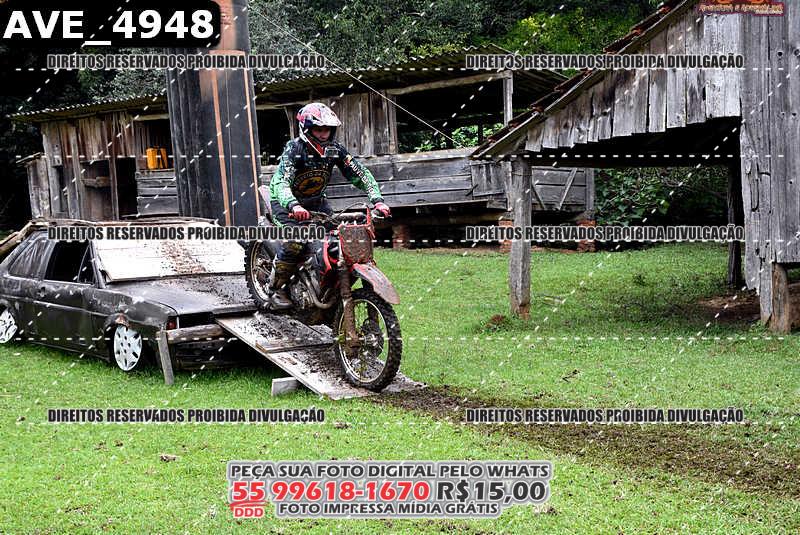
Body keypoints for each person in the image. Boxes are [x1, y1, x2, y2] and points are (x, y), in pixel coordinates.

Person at [266, 102, 391, 309]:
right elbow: (282, 182)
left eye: (327, 129)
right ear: (307, 129)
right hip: (285, 203)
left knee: (338, 240)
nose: (324, 134)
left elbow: (359, 173)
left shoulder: (335, 150)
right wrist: (293, 205)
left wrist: (377, 200)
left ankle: (324, 284)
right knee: (296, 241)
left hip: (317, 202)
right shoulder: (294, 149)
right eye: (318, 129)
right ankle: (274, 288)